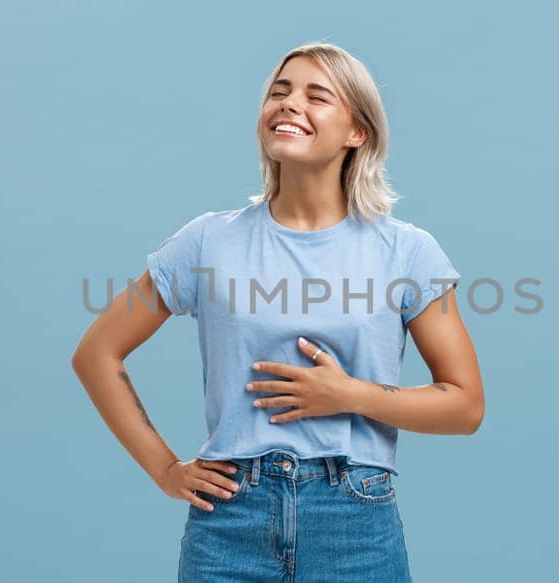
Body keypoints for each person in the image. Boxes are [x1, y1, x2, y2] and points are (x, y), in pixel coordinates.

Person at [71, 41, 485, 582]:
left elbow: (465, 406)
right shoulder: (207, 242)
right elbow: (96, 353)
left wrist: (348, 394)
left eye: (317, 96)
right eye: (279, 92)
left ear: (357, 131)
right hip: (229, 522)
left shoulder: (406, 251)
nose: (289, 104)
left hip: (354, 519)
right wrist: (165, 469)